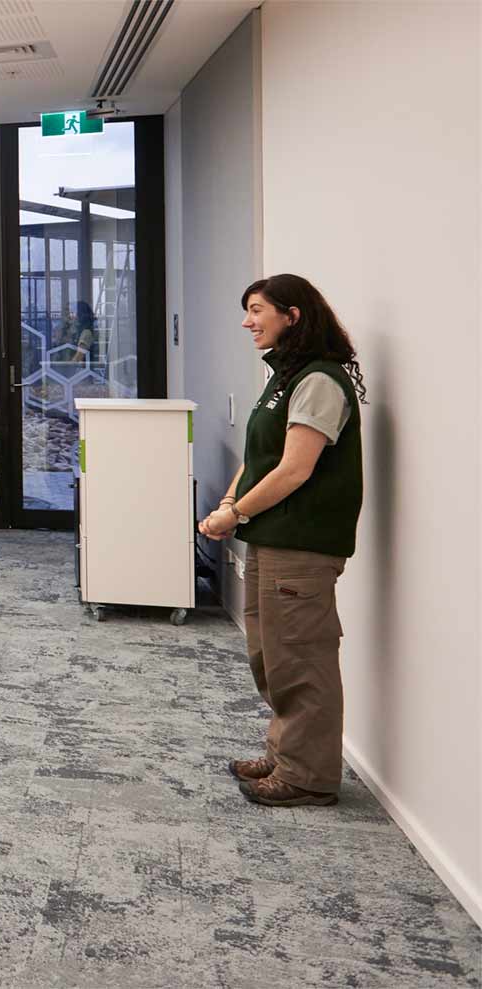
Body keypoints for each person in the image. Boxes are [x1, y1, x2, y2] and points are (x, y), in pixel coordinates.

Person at [199, 274, 364, 808]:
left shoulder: (319, 380)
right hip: (271, 536)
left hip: (301, 543)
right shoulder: (285, 376)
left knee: (301, 659)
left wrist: (235, 512)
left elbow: (294, 469)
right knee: (272, 656)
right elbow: (261, 457)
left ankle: (309, 777)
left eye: (257, 310)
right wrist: (231, 504)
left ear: (292, 316)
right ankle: (285, 754)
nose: (247, 321)